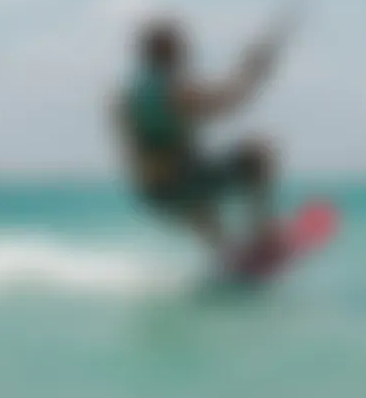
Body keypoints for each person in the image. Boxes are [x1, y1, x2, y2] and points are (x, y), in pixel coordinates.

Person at [109, 16, 284, 266]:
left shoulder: (130, 94)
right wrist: (253, 70)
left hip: (152, 190)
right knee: (257, 157)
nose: (186, 53)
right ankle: (266, 238)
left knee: (197, 203)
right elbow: (227, 101)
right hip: (178, 183)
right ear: (170, 52)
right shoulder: (170, 90)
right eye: (180, 47)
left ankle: (230, 258)